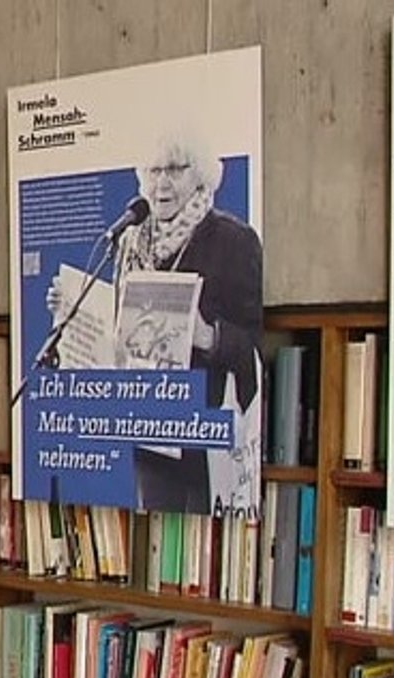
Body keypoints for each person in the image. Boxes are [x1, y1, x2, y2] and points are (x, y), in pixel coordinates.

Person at [54, 135, 263, 515]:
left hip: (201, 438)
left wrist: (209, 337)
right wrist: (71, 311)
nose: (161, 183)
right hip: (146, 432)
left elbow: (255, 345)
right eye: (154, 171)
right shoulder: (130, 242)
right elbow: (116, 334)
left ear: (199, 175)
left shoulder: (234, 240)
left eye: (175, 170)